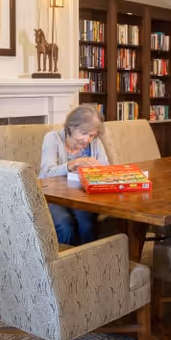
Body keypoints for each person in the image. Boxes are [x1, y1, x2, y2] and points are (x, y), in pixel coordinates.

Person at [39, 105, 109, 246]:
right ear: (70, 127)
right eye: (83, 133)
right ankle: (66, 264)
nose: (87, 139)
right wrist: (73, 164)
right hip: (52, 196)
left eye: (91, 135)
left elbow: (105, 169)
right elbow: (46, 174)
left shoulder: (95, 143)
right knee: (65, 225)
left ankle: (90, 261)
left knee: (87, 223)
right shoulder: (53, 138)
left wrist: (98, 170)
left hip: (80, 196)